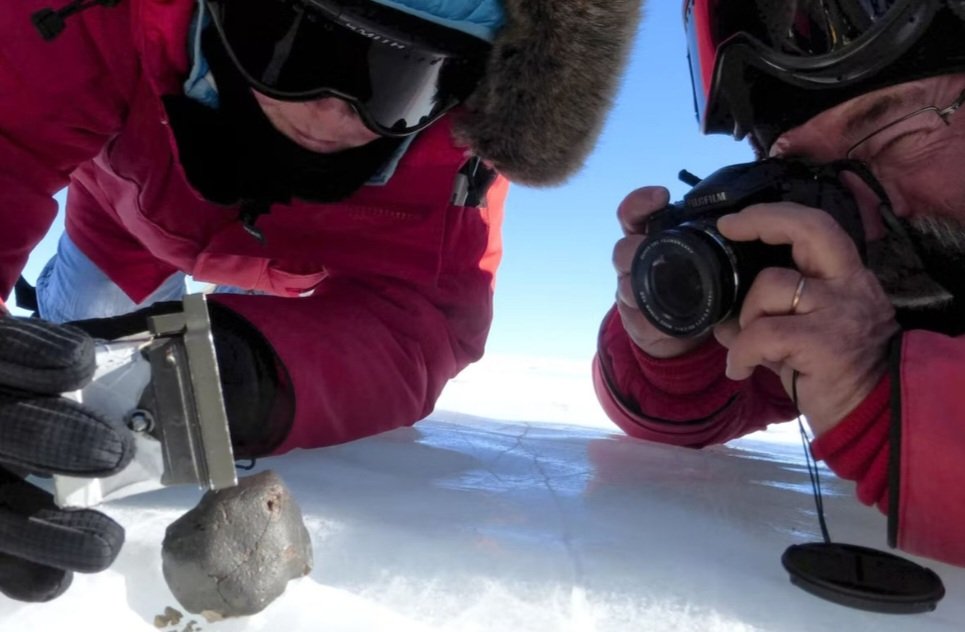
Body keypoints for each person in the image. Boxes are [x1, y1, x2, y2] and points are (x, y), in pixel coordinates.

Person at [0, 0, 643, 602]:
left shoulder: (458, 147)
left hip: (281, 268)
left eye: (403, 79)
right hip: (123, 226)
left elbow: (419, 322)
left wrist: (223, 380)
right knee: (71, 344)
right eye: (292, 48)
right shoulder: (91, 12)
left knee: (103, 385)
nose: (334, 115)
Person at [594, 0, 965, 568]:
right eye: (816, 183)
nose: (860, 219)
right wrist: (675, 348)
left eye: (900, 138)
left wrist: (891, 415)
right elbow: (691, 411)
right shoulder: (865, 280)